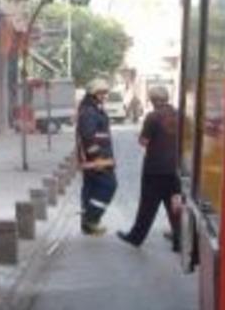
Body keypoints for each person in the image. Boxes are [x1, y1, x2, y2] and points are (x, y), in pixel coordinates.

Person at [118, 86, 182, 251]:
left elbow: (144, 141)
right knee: (174, 204)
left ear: (152, 100)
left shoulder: (153, 117)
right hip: (176, 168)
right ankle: (180, 240)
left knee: (147, 205)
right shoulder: (179, 114)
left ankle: (135, 237)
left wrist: (140, 137)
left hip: (155, 168)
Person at [76, 78, 117, 236]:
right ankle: (91, 219)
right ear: (93, 93)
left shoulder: (92, 109)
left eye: (105, 93)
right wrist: (98, 157)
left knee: (91, 189)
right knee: (109, 186)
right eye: (101, 93)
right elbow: (88, 137)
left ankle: (87, 227)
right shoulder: (90, 112)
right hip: (97, 160)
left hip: (94, 159)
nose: (104, 95)